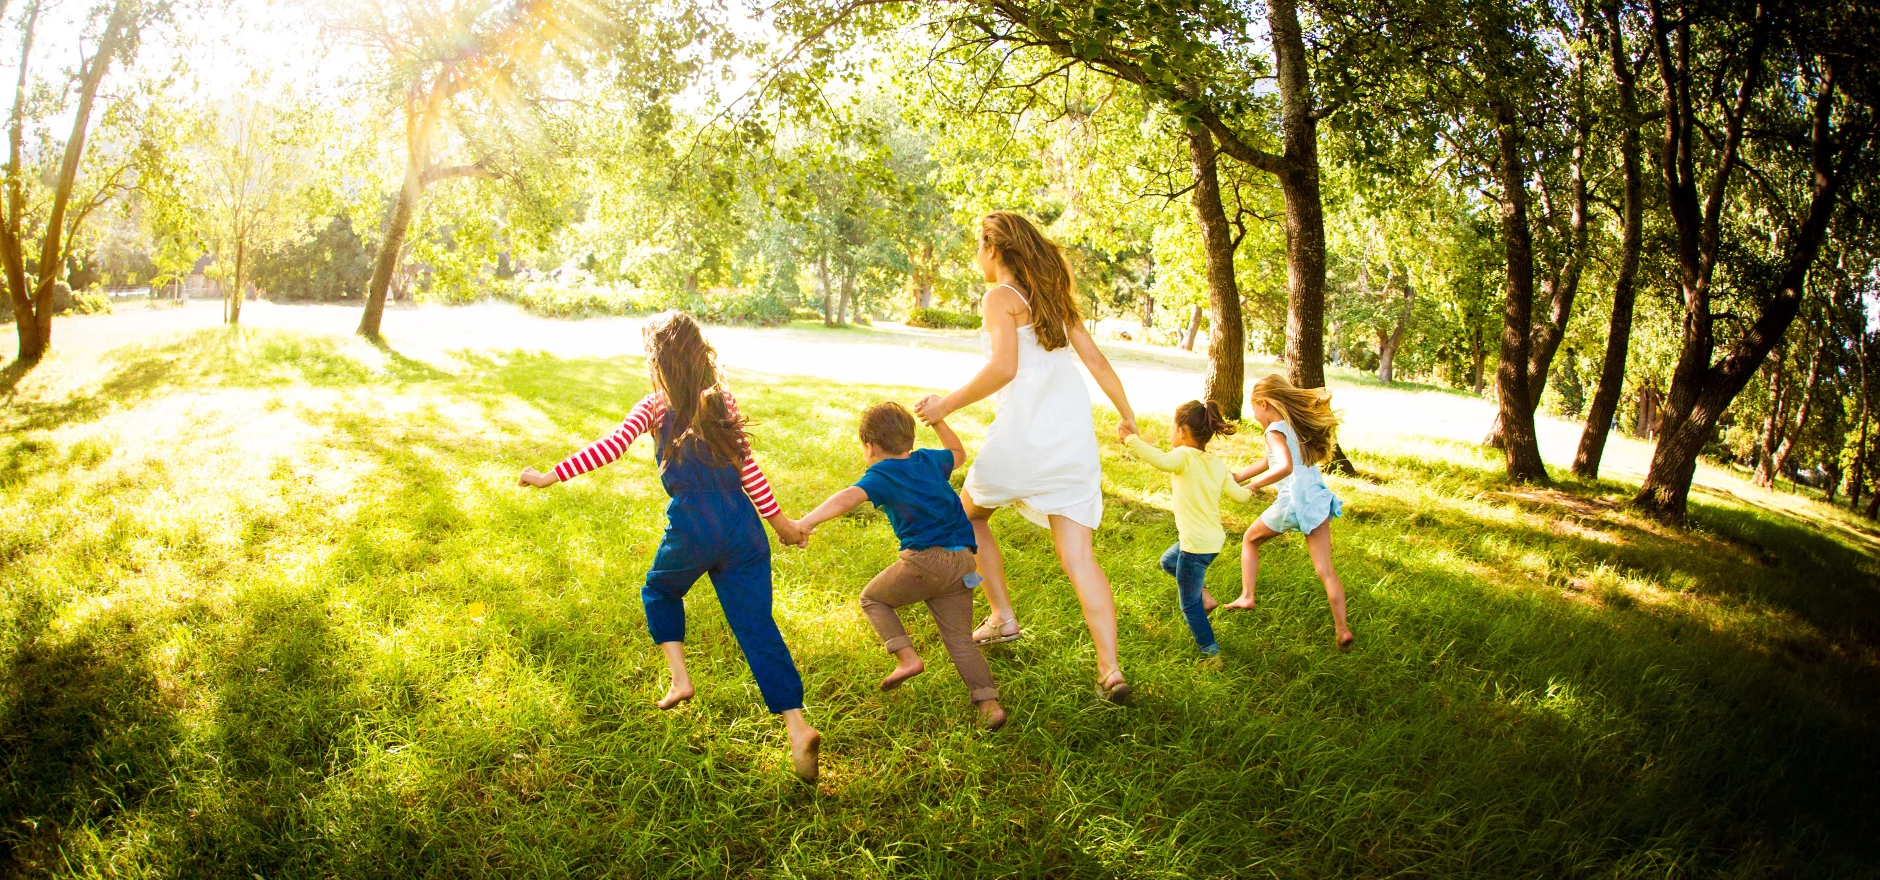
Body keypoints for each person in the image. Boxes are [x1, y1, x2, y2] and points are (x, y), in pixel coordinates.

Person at [517, 311, 823, 782]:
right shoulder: (723, 402)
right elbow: (749, 470)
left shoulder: (655, 406)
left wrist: (548, 476)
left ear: (658, 360)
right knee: (756, 626)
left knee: (660, 591)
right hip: (743, 526)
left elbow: (611, 447)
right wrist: (780, 522)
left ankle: (681, 678)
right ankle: (797, 726)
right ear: (701, 356)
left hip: (694, 525)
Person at [913, 211, 1140, 702]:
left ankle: (1002, 616)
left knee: (967, 516)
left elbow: (1003, 366)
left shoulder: (1000, 297)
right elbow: (1097, 362)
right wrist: (1127, 415)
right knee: (1079, 558)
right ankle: (1110, 671)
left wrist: (944, 405)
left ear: (993, 249)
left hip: (1024, 436)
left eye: (978, 245)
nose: (977, 255)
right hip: (1071, 439)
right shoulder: (1054, 301)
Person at [796, 402, 1008, 730]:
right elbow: (957, 451)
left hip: (925, 561)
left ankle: (906, 658)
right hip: (965, 561)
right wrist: (937, 421)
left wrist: (806, 522)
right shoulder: (928, 460)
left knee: (873, 598)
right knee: (960, 639)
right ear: (909, 439)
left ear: (870, 446)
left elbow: (847, 498)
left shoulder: (882, 473)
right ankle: (989, 705)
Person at [1224, 374, 1355, 650]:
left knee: (1250, 539)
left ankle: (1247, 595)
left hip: (1294, 500)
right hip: (1316, 499)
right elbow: (1267, 460)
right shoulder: (1291, 428)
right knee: (1326, 570)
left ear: (1264, 403)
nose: (1253, 414)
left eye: (1253, 407)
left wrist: (1254, 487)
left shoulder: (1273, 431)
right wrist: (1238, 476)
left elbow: (1283, 467)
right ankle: (1342, 630)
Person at [1118, 400, 1252, 657]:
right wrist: (1249, 491)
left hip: (1195, 546)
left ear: (1181, 431)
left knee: (1189, 605)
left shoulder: (1183, 456)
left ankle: (1210, 654)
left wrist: (1131, 440)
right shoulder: (1216, 463)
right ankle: (1206, 597)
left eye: (1172, 428)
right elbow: (1237, 495)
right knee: (1168, 561)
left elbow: (1160, 460)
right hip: (1212, 541)